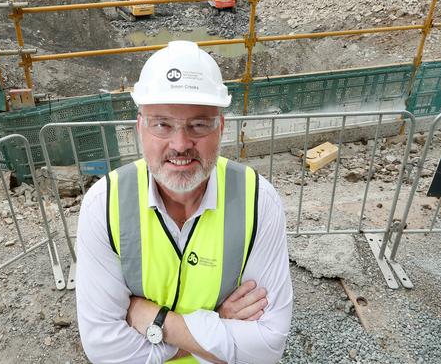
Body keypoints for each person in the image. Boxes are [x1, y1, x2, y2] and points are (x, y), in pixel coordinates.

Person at [76, 40, 293, 363]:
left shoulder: (258, 201)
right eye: (162, 124)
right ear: (140, 127)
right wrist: (218, 324)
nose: (180, 144)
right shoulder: (103, 205)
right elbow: (104, 348)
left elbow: (266, 347)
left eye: (198, 124)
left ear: (221, 127)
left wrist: (155, 321)